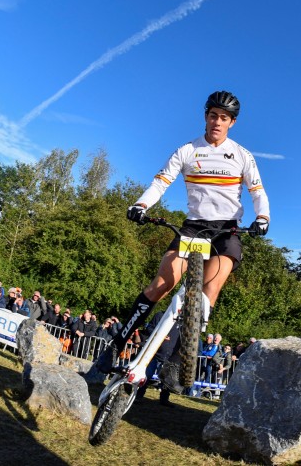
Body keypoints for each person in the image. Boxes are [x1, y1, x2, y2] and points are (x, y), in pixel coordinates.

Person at [95, 91, 271, 394]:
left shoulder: (242, 155)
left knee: (208, 291)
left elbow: (257, 190)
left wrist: (263, 218)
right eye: (213, 115)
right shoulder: (188, 150)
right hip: (193, 227)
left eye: (224, 118)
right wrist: (141, 205)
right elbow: (161, 181)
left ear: (232, 122)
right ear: (206, 116)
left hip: (226, 231)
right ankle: (115, 347)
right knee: (162, 284)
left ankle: (177, 362)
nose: (217, 122)